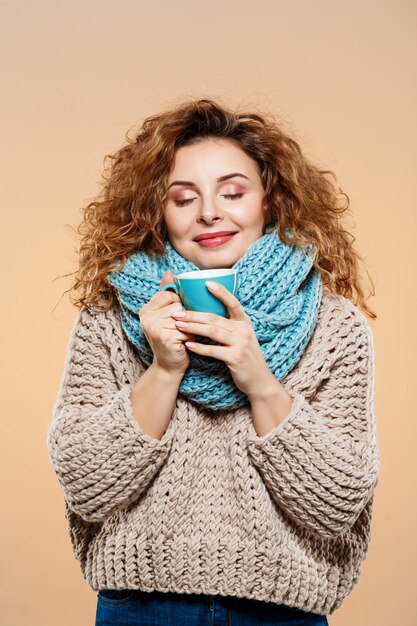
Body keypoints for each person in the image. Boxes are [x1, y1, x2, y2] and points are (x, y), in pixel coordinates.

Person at [47, 98, 381, 626]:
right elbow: (87, 487)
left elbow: (337, 505)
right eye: (184, 198)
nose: (209, 212)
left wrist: (260, 382)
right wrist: (163, 369)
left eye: (233, 192)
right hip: (141, 607)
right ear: (158, 212)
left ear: (269, 201)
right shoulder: (109, 318)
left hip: (281, 612)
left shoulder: (334, 326)